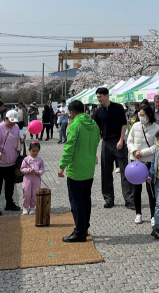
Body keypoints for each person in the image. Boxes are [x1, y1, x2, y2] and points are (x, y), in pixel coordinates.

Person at [59, 100, 101, 243]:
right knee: (86, 199)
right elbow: (96, 142)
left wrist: (62, 166)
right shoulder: (94, 124)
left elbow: (69, 148)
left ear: (71, 112)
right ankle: (85, 226)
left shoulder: (75, 125)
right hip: (89, 168)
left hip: (76, 169)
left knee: (76, 201)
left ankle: (80, 232)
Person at [94, 87, 132, 209]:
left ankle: (129, 199)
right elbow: (96, 130)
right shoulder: (98, 112)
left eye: (100, 96)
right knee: (106, 172)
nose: (98, 99)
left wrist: (121, 140)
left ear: (106, 95)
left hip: (118, 141)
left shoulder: (118, 108)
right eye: (97, 97)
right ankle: (108, 199)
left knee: (125, 171)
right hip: (105, 143)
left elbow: (124, 124)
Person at [127, 105, 159, 226]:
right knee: (136, 189)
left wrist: (143, 153)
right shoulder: (135, 126)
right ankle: (138, 213)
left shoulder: (156, 128)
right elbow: (129, 141)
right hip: (135, 162)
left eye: (143, 115)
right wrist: (134, 151)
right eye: (140, 115)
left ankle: (153, 215)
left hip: (148, 162)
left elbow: (157, 145)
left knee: (150, 189)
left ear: (149, 115)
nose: (141, 117)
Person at [0, 110, 24, 216]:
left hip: (12, 162)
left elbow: (20, 133)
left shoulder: (16, 127)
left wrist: (22, 138)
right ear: (5, 119)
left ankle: (9, 203)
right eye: (11, 121)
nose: (13, 124)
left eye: (15, 122)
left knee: (10, 185)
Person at [19, 141, 45, 215]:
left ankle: (32, 207)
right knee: (27, 193)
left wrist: (39, 172)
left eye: (37, 151)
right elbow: (22, 169)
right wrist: (28, 170)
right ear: (29, 150)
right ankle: (25, 207)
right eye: (33, 151)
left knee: (35, 193)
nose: (35, 153)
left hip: (36, 178)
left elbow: (42, 168)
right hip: (28, 178)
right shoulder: (26, 159)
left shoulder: (40, 159)